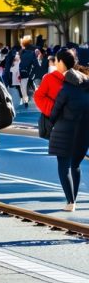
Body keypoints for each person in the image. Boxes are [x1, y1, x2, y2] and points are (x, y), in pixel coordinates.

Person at [48, 52, 89, 212]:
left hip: (65, 132)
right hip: (84, 131)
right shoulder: (86, 86)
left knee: (63, 167)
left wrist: (50, 122)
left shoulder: (66, 88)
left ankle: (70, 201)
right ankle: (74, 199)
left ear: (62, 63)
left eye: (57, 61)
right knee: (76, 165)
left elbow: (55, 112)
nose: (55, 64)